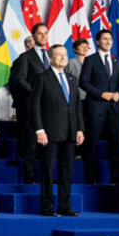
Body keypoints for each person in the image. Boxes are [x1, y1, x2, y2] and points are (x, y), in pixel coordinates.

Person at [30, 44, 83, 216]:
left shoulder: (72, 79)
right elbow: (35, 106)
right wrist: (39, 130)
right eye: (59, 55)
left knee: (67, 170)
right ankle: (47, 207)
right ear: (51, 58)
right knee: (48, 169)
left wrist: (80, 129)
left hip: (70, 131)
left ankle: (64, 206)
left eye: (65, 55)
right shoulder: (42, 78)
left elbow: (76, 107)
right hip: (49, 132)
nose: (62, 58)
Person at [79, 29, 119, 185]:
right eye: (104, 39)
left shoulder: (117, 60)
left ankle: (116, 178)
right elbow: (83, 83)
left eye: (110, 39)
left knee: (116, 145)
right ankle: (90, 178)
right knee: (91, 144)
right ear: (97, 42)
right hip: (96, 107)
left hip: (114, 109)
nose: (108, 42)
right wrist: (101, 94)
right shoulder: (90, 60)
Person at [9, 22, 50, 184]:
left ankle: (48, 177)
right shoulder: (25, 58)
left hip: (49, 108)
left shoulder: (51, 55)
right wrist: (36, 93)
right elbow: (19, 79)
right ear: (33, 36)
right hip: (31, 107)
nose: (43, 36)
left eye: (45, 33)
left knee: (49, 145)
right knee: (30, 144)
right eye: (40, 33)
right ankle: (30, 177)